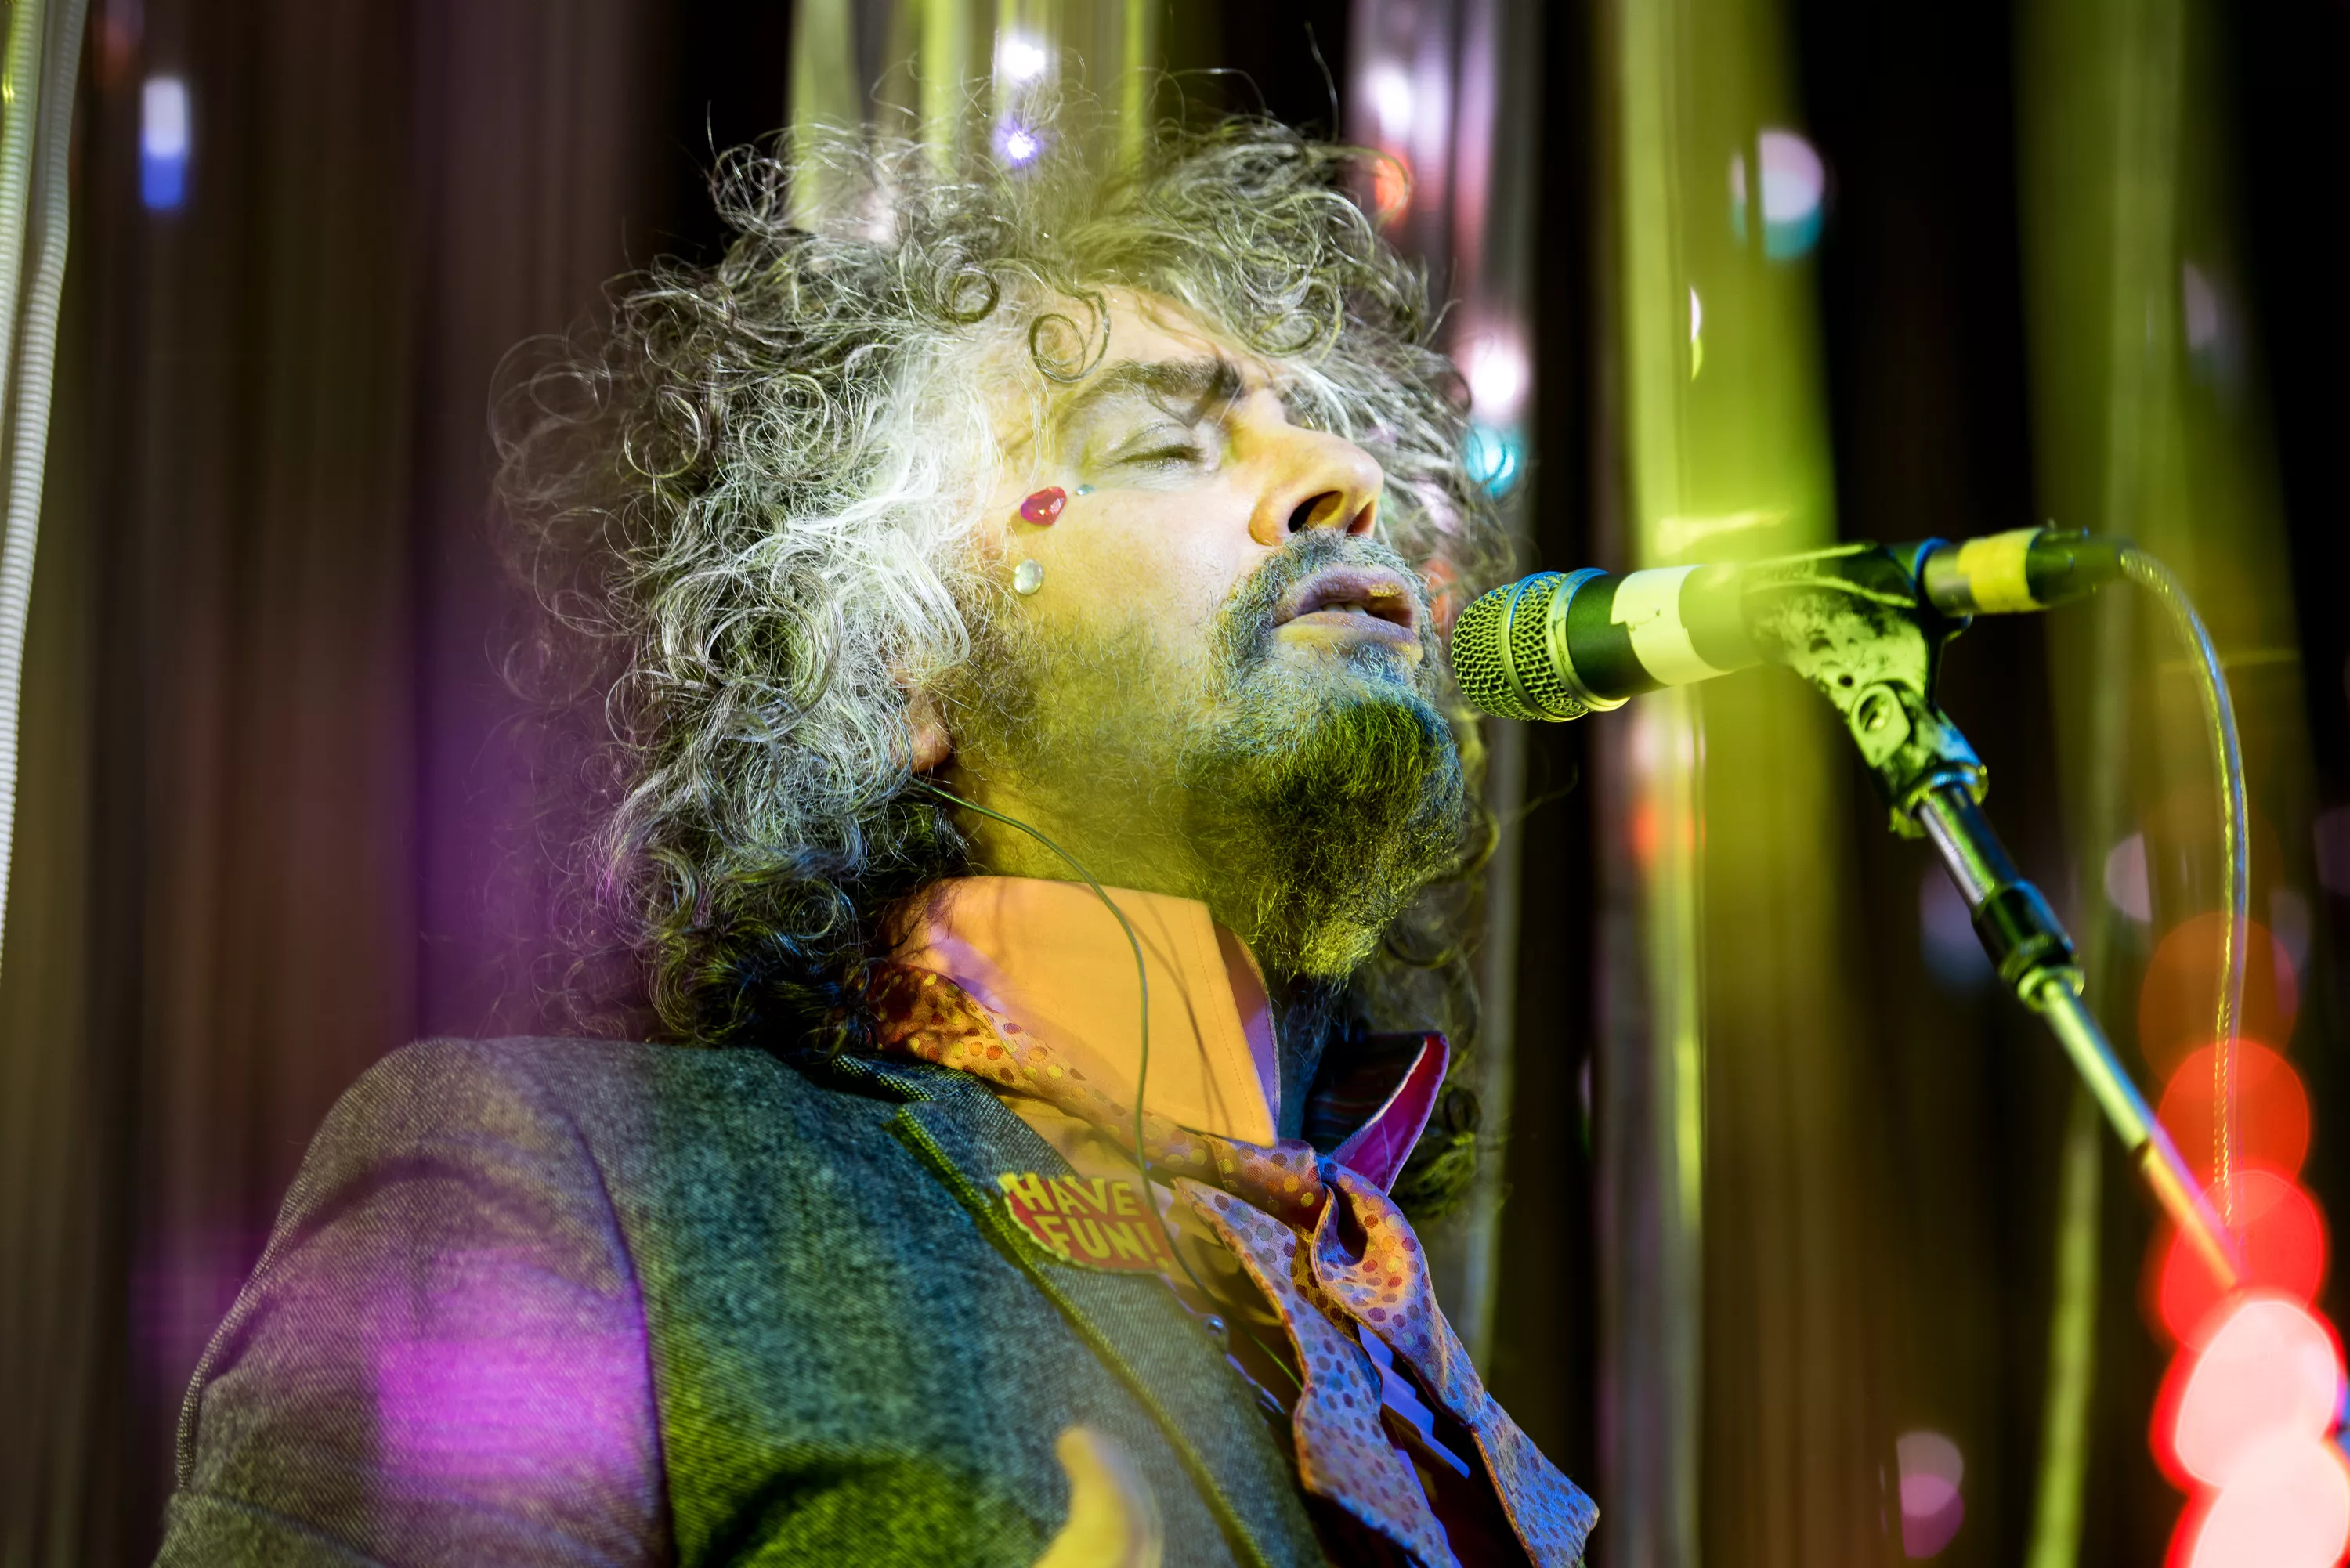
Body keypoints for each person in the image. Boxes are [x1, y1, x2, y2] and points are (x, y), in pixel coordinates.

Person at [154, 116, 1596, 1568]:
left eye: (1335, 430)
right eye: (1164, 441)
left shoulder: (1383, 1311)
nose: (1340, 474)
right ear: (903, 656)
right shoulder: (548, 1182)